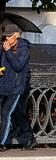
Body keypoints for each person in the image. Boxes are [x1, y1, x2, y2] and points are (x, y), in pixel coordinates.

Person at [1, 23, 34, 151]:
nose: (7, 39)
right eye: (6, 36)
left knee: (6, 112)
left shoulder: (23, 49)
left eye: (9, 36)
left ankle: (1, 142)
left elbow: (18, 66)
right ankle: (30, 138)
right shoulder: (4, 47)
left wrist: (8, 52)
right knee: (17, 114)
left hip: (16, 87)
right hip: (5, 85)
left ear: (16, 35)